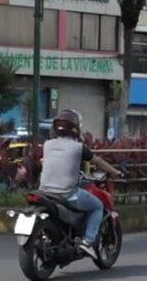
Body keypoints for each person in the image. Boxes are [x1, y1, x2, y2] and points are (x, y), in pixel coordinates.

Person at [37, 109, 123, 258]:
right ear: (75, 128)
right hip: (66, 194)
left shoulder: (47, 145)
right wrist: (116, 172)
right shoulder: (78, 147)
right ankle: (88, 241)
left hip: (44, 192)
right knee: (97, 206)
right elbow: (98, 162)